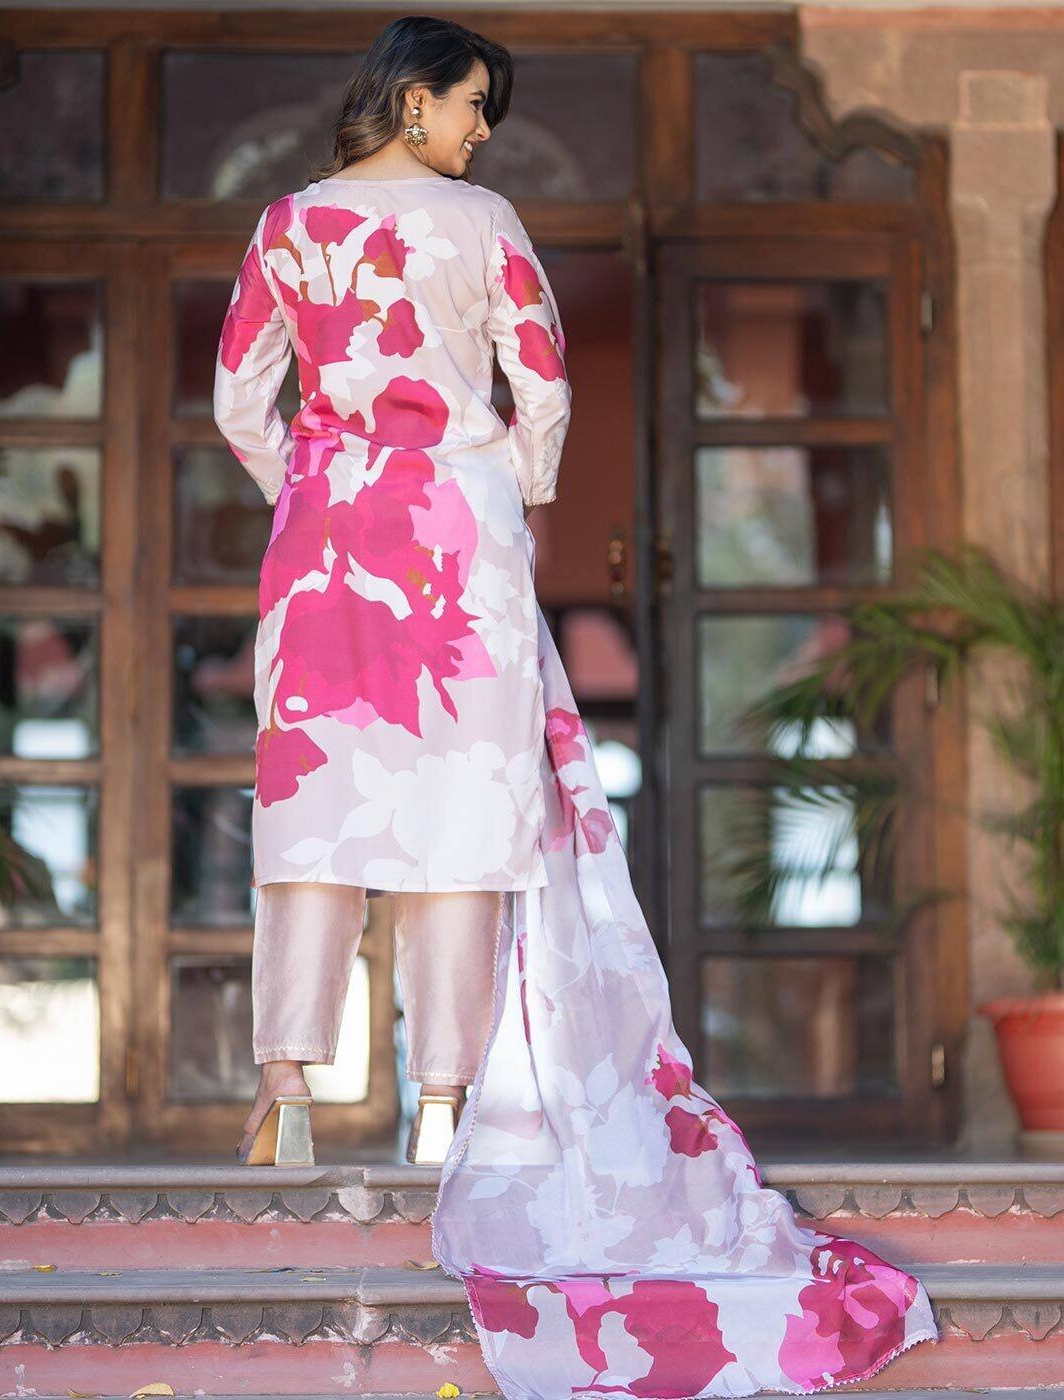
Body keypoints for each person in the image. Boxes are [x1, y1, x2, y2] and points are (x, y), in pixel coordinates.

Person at [213, 15, 938, 1396]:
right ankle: (442, 1110)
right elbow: (541, 382)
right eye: (469, 105)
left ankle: (288, 1089)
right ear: (414, 101)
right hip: (459, 539)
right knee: (462, 827)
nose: (479, 129)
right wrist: (510, 492)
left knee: (312, 811)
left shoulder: (286, 225)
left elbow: (240, 398)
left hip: (326, 543)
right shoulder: (484, 221)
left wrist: (314, 487)